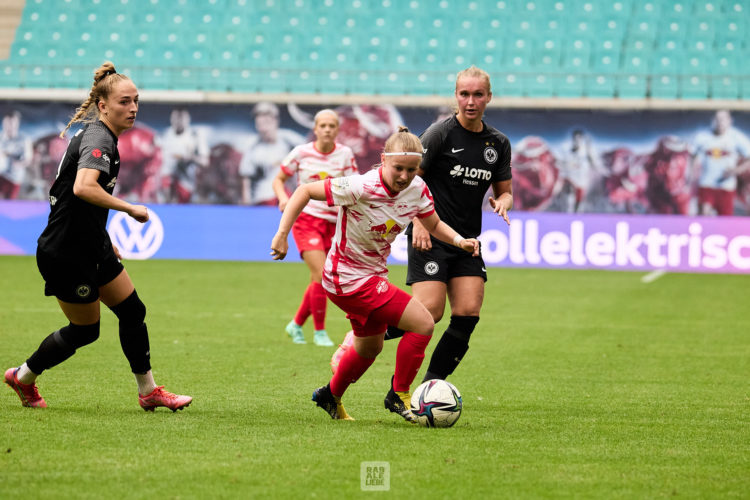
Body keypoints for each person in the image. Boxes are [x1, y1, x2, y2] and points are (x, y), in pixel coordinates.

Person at [4, 62, 192, 412]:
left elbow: (80, 202)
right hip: (65, 253)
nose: (133, 108)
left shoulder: (102, 135)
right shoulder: (98, 137)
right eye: (124, 101)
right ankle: (23, 375)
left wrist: (103, 236)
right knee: (86, 331)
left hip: (92, 244)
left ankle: (149, 392)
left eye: (136, 101)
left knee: (133, 311)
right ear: (103, 106)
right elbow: (83, 187)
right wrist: (129, 208)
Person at [270, 127, 480, 422]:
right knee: (422, 322)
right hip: (346, 277)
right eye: (398, 168)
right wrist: (282, 234)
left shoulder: (417, 189)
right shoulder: (359, 186)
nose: (404, 176)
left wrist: (460, 241)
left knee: (371, 347)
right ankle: (399, 394)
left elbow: (431, 223)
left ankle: (331, 395)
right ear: (383, 159)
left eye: (411, 169)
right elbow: (304, 190)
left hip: (371, 276)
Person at [349, 66, 512, 391]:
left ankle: (431, 387)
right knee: (429, 312)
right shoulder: (440, 134)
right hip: (430, 234)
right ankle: (363, 335)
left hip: (466, 241)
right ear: (456, 96)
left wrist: (504, 200)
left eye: (477, 94)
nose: (470, 101)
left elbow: (503, 190)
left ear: (488, 97)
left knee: (468, 313)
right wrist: (418, 222)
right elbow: (409, 180)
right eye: (464, 94)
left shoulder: (498, 143)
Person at [272, 109, 358, 346]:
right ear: (316, 128)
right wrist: (283, 198)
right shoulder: (301, 153)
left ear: (338, 129)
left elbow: (353, 187)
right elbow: (278, 179)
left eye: (332, 126)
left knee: (318, 278)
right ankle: (320, 332)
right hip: (307, 220)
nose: (328, 129)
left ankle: (296, 324)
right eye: (323, 125)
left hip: (334, 223)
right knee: (321, 276)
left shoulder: (345, 155)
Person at [240, 102, 304, 205]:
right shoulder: (253, 147)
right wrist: (246, 203)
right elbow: (246, 177)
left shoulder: (289, 139)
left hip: (290, 193)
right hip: (265, 197)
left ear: (275, 120)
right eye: (259, 118)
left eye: (266, 118)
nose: (262, 121)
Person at [691, 110, 750, 216]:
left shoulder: (736, 137)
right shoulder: (703, 137)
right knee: (704, 213)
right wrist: (691, 174)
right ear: (713, 121)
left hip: (726, 186)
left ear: (730, 121)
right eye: (717, 119)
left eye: (723, 119)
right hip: (706, 184)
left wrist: (736, 170)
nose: (720, 122)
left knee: (725, 218)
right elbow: (692, 155)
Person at [158, 107, 209, 204]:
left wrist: (191, 158)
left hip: (186, 182)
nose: (178, 121)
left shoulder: (194, 136)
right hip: (167, 180)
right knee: (167, 183)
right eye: (175, 118)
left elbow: (205, 162)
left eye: (181, 118)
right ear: (171, 119)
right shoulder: (165, 135)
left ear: (188, 119)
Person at [558, 129, 605, 213]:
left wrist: (589, 150)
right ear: (573, 139)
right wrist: (568, 165)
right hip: (570, 177)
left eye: (580, 138)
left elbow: (594, 163)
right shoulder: (566, 149)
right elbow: (560, 163)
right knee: (570, 193)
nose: (577, 141)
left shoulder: (587, 151)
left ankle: (576, 214)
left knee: (579, 200)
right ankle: (568, 211)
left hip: (582, 179)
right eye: (575, 138)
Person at [0, 110, 33, 199]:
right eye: (7, 123)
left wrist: (19, 163)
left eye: (12, 123)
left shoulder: (24, 140)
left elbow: (28, 159)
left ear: (17, 124)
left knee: (9, 204)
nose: (9, 126)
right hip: (1, 175)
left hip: (14, 178)